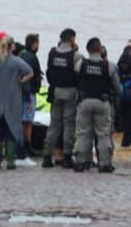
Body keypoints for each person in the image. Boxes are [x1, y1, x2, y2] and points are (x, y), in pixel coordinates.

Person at [73, 38, 121, 173]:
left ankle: (81, 162)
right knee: (103, 134)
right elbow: (117, 88)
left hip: (85, 102)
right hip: (103, 102)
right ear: (100, 49)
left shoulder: (80, 64)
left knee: (83, 133)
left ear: (87, 50)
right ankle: (104, 164)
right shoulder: (109, 66)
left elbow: (76, 82)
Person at [42, 28, 84, 169]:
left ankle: (47, 157)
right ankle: (66, 157)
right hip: (70, 91)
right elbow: (81, 75)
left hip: (55, 91)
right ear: (72, 39)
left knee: (54, 125)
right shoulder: (76, 55)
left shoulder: (52, 53)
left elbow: (48, 72)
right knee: (69, 125)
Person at [0, 36, 34, 170]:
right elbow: (30, 73)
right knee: (12, 130)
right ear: (12, 47)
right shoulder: (17, 61)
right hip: (12, 99)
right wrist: (20, 81)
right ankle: (10, 162)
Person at [20, 34, 43, 157]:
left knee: (24, 120)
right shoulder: (29, 56)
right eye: (38, 43)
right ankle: (27, 146)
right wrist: (28, 97)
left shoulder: (25, 54)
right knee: (27, 121)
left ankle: (24, 145)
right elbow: (27, 77)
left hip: (25, 91)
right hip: (28, 92)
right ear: (34, 44)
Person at [119, 49, 131, 147]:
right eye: (122, 64)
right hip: (121, 101)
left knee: (128, 122)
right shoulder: (118, 71)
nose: (124, 66)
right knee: (124, 121)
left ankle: (125, 143)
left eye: (126, 64)